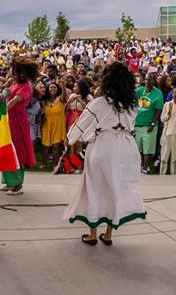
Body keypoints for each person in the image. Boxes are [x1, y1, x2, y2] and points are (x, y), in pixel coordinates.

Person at [64, 62, 146, 245]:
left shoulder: (99, 103)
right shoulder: (133, 105)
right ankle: (108, 234)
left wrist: (71, 138)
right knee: (116, 188)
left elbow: (80, 125)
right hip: (126, 147)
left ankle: (93, 234)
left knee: (95, 188)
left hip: (103, 147)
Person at [0, 57, 38, 194]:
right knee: (6, 149)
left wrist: (0, 112)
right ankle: (8, 181)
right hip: (8, 120)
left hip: (17, 121)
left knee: (17, 151)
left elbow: (13, 102)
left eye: (14, 71)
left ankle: (17, 184)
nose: (12, 73)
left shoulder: (26, 86)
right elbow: (5, 97)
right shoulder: (15, 84)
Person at [135, 73, 164, 174]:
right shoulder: (140, 90)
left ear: (154, 81)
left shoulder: (158, 93)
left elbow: (159, 110)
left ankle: (144, 169)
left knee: (148, 149)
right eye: (146, 80)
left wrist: (152, 123)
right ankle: (138, 167)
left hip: (149, 125)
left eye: (150, 80)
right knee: (138, 149)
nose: (148, 82)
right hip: (138, 123)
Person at [159, 82, 176, 175]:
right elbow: (162, 119)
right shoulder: (167, 104)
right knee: (164, 156)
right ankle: (162, 175)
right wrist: (169, 113)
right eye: (174, 92)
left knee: (175, 157)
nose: (175, 94)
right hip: (167, 132)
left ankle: (173, 175)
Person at [40, 82, 67, 168]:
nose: (53, 89)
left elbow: (64, 95)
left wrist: (63, 85)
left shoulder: (61, 99)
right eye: (51, 87)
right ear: (48, 89)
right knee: (45, 146)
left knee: (56, 146)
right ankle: (44, 163)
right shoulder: (45, 100)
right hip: (47, 125)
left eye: (55, 87)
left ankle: (55, 165)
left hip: (58, 125)